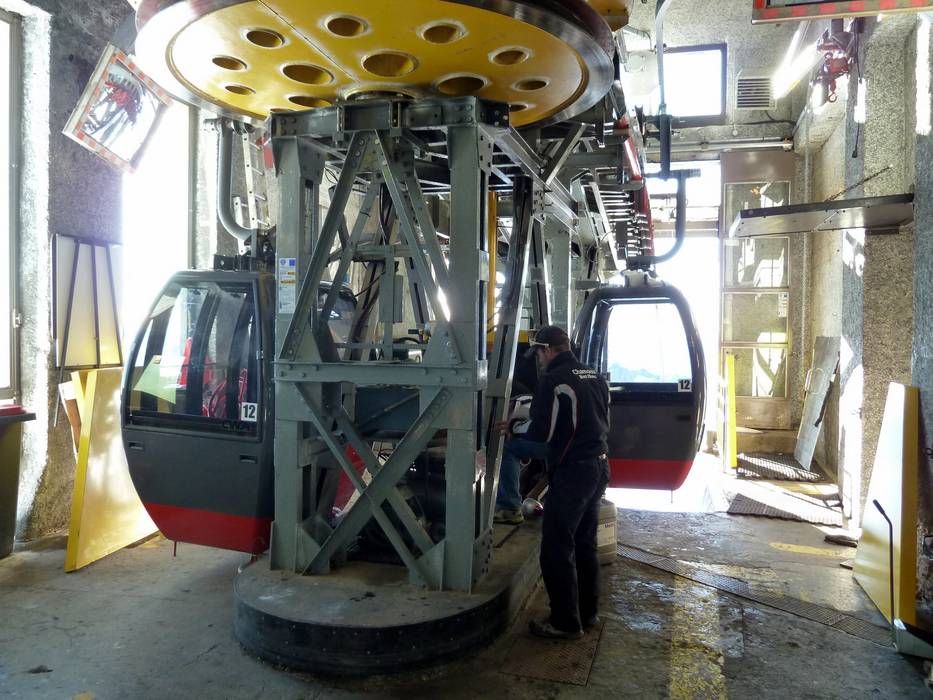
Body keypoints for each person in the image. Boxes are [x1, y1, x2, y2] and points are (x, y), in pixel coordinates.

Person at [516, 325, 611, 640]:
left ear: (547, 350)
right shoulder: (594, 375)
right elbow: (600, 419)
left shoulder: (553, 380)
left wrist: (514, 429)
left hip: (574, 474)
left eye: (538, 354)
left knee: (556, 547)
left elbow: (542, 432)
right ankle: (587, 613)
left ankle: (565, 623)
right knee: (584, 543)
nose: (539, 360)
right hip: (599, 466)